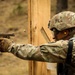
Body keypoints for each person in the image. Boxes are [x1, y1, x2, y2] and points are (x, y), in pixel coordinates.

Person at [0, 11, 75, 75]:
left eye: (56, 32)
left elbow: (33, 52)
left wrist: (10, 46)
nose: (54, 37)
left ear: (66, 32)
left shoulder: (68, 47)